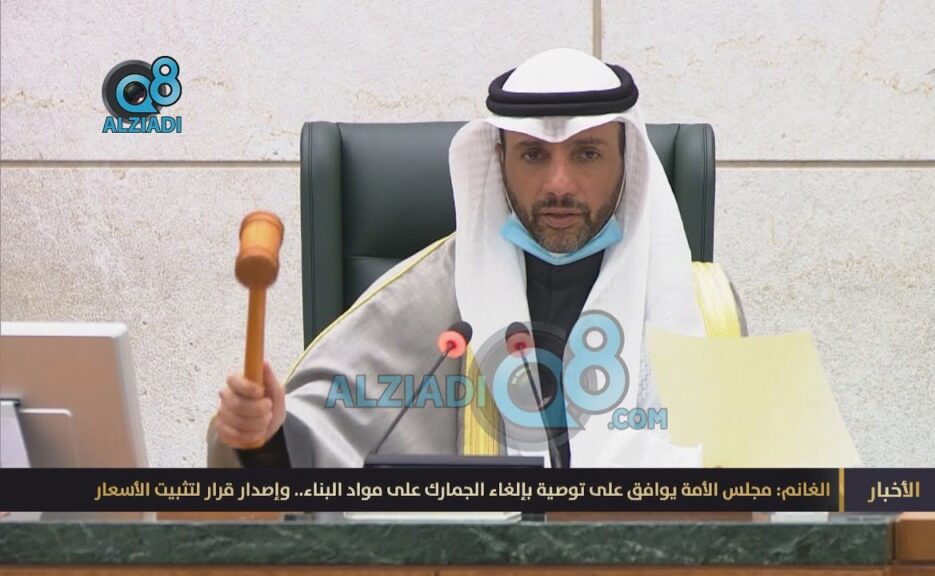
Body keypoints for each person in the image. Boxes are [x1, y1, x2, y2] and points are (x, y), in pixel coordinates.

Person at [207, 48, 706, 468]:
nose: (559, 184)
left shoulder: (704, 309)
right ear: (498, 160)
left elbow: (735, 480)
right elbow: (310, 439)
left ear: (628, 161)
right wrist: (262, 436)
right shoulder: (432, 293)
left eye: (587, 153)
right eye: (533, 155)